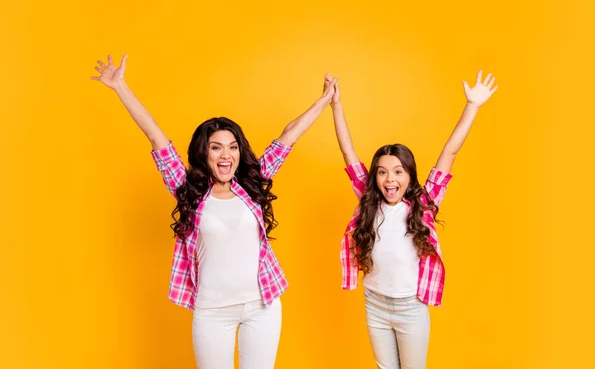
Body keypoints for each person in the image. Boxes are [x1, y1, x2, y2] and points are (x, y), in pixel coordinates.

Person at [91, 55, 338, 369]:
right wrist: (120, 87)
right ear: (203, 153)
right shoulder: (189, 190)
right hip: (212, 310)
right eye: (216, 147)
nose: (226, 154)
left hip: (261, 306)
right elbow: (155, 136)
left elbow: (288, 135)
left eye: (233, 146)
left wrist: (324, 100)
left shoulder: (252, 184)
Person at [328, 70, 498, 369]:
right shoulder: (369, 202)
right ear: (375, 177)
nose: (389, 179)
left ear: (409, 176)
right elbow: (347, 151)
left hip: (410, 307)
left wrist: (472, 106)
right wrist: (335, 105)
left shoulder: (423, 203)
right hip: (375, 302)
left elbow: (450, 151)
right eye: (382, 171)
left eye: (398, 171)